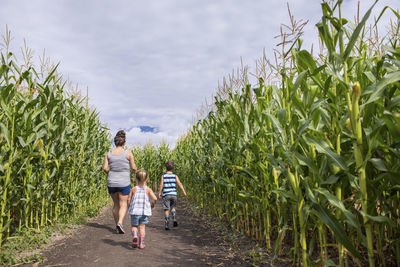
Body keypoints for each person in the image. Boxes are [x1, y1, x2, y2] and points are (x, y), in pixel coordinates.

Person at [102, 130, 137, 234]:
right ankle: (120, 223)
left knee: (116, 204)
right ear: (124, 143)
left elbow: (104, 168)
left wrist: (110, 173)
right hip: (124, 182)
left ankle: (117, 224)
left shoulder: (108, 153)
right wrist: (136, 173)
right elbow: (134, 168)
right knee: (123, 204)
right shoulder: (128, 153)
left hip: (111, 182)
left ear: (115, 142)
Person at [128, 169, 157, 249]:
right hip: (144, 212)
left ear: (136, 179)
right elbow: (155, 198)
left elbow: (128, 199)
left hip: (134, 212)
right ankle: (141, 243)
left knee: (134, 226)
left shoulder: (134, 189)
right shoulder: (148, 189)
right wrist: (153, 204)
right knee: (142, 227)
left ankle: (134, 235)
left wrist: (129, 206)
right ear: (147, 179)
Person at [158, 160, 186, 230]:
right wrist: (184, 191)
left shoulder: (163, 176)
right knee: (173, 207)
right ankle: (174, 219)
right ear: (173, 168)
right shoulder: (175, 176)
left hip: (166, 195)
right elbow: (179, 183)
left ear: (165, 168)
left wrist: (159, 192)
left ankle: (167, 225)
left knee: (166, 209)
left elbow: (161, 185)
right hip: (174, 194)